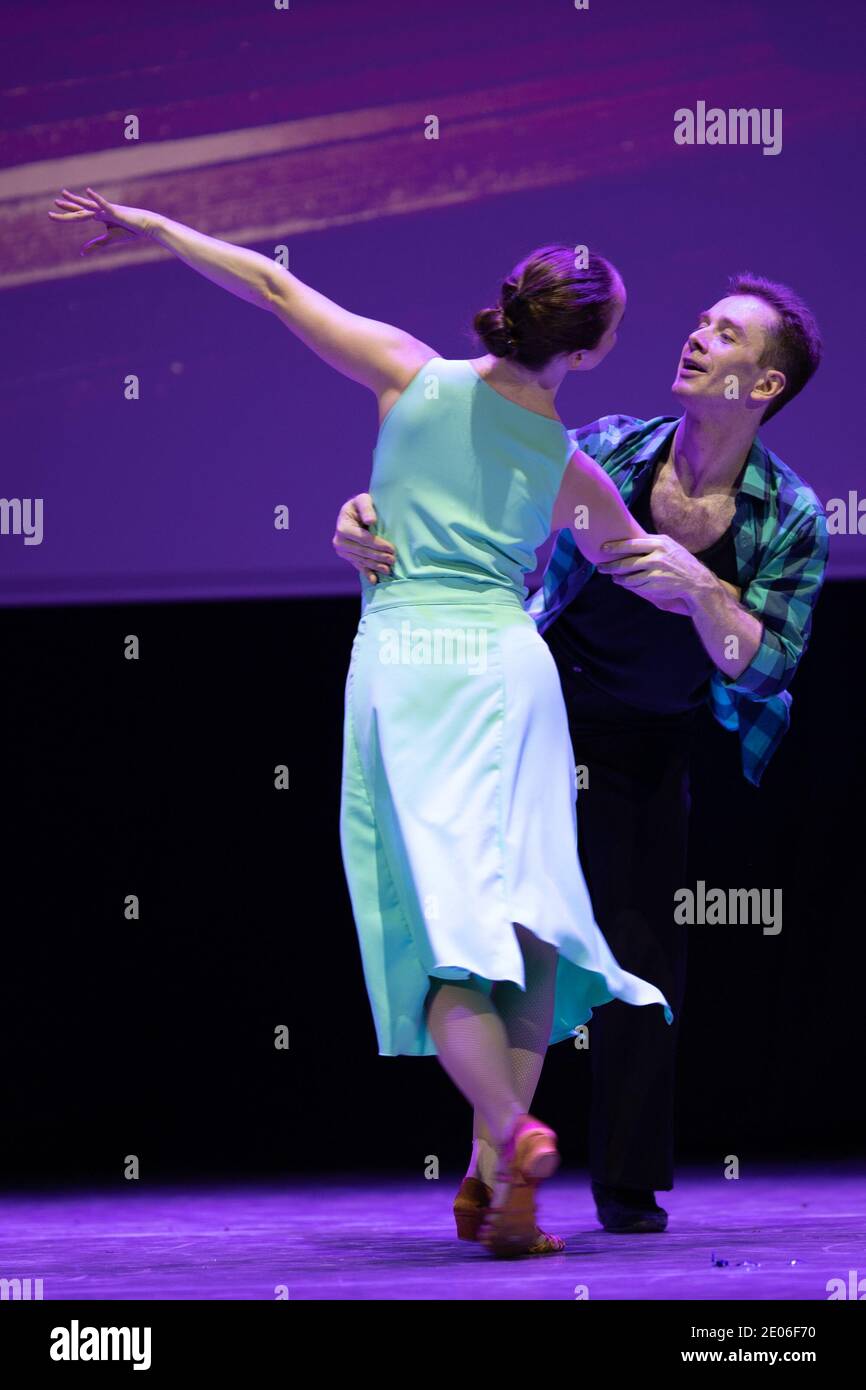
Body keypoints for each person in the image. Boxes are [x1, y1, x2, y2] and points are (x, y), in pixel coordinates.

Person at [49, 189, 673, 1257]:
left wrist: (157, 228)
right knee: (522, 925)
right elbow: (635, 562)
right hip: (508, 671)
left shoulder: (407, 374)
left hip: (409, 664)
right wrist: (720, 601)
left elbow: (271, 284)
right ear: (597, 344)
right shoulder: (565, 463)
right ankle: (495, 1182)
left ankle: (512, 1139)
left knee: (438, 939)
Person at [333, 273, 829, 1235]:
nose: (696, 338)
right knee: (513, 940)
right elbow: (459, 490)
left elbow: (763, 669)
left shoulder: (789, 515)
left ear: (762, 387)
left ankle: (625, 1188)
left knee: (640, 958)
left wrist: (699, 589)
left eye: (725, 335)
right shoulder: (604, 447)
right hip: (536, 714)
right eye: (699, 322)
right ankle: (499, 1163)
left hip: (650, 742)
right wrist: (368, 512)